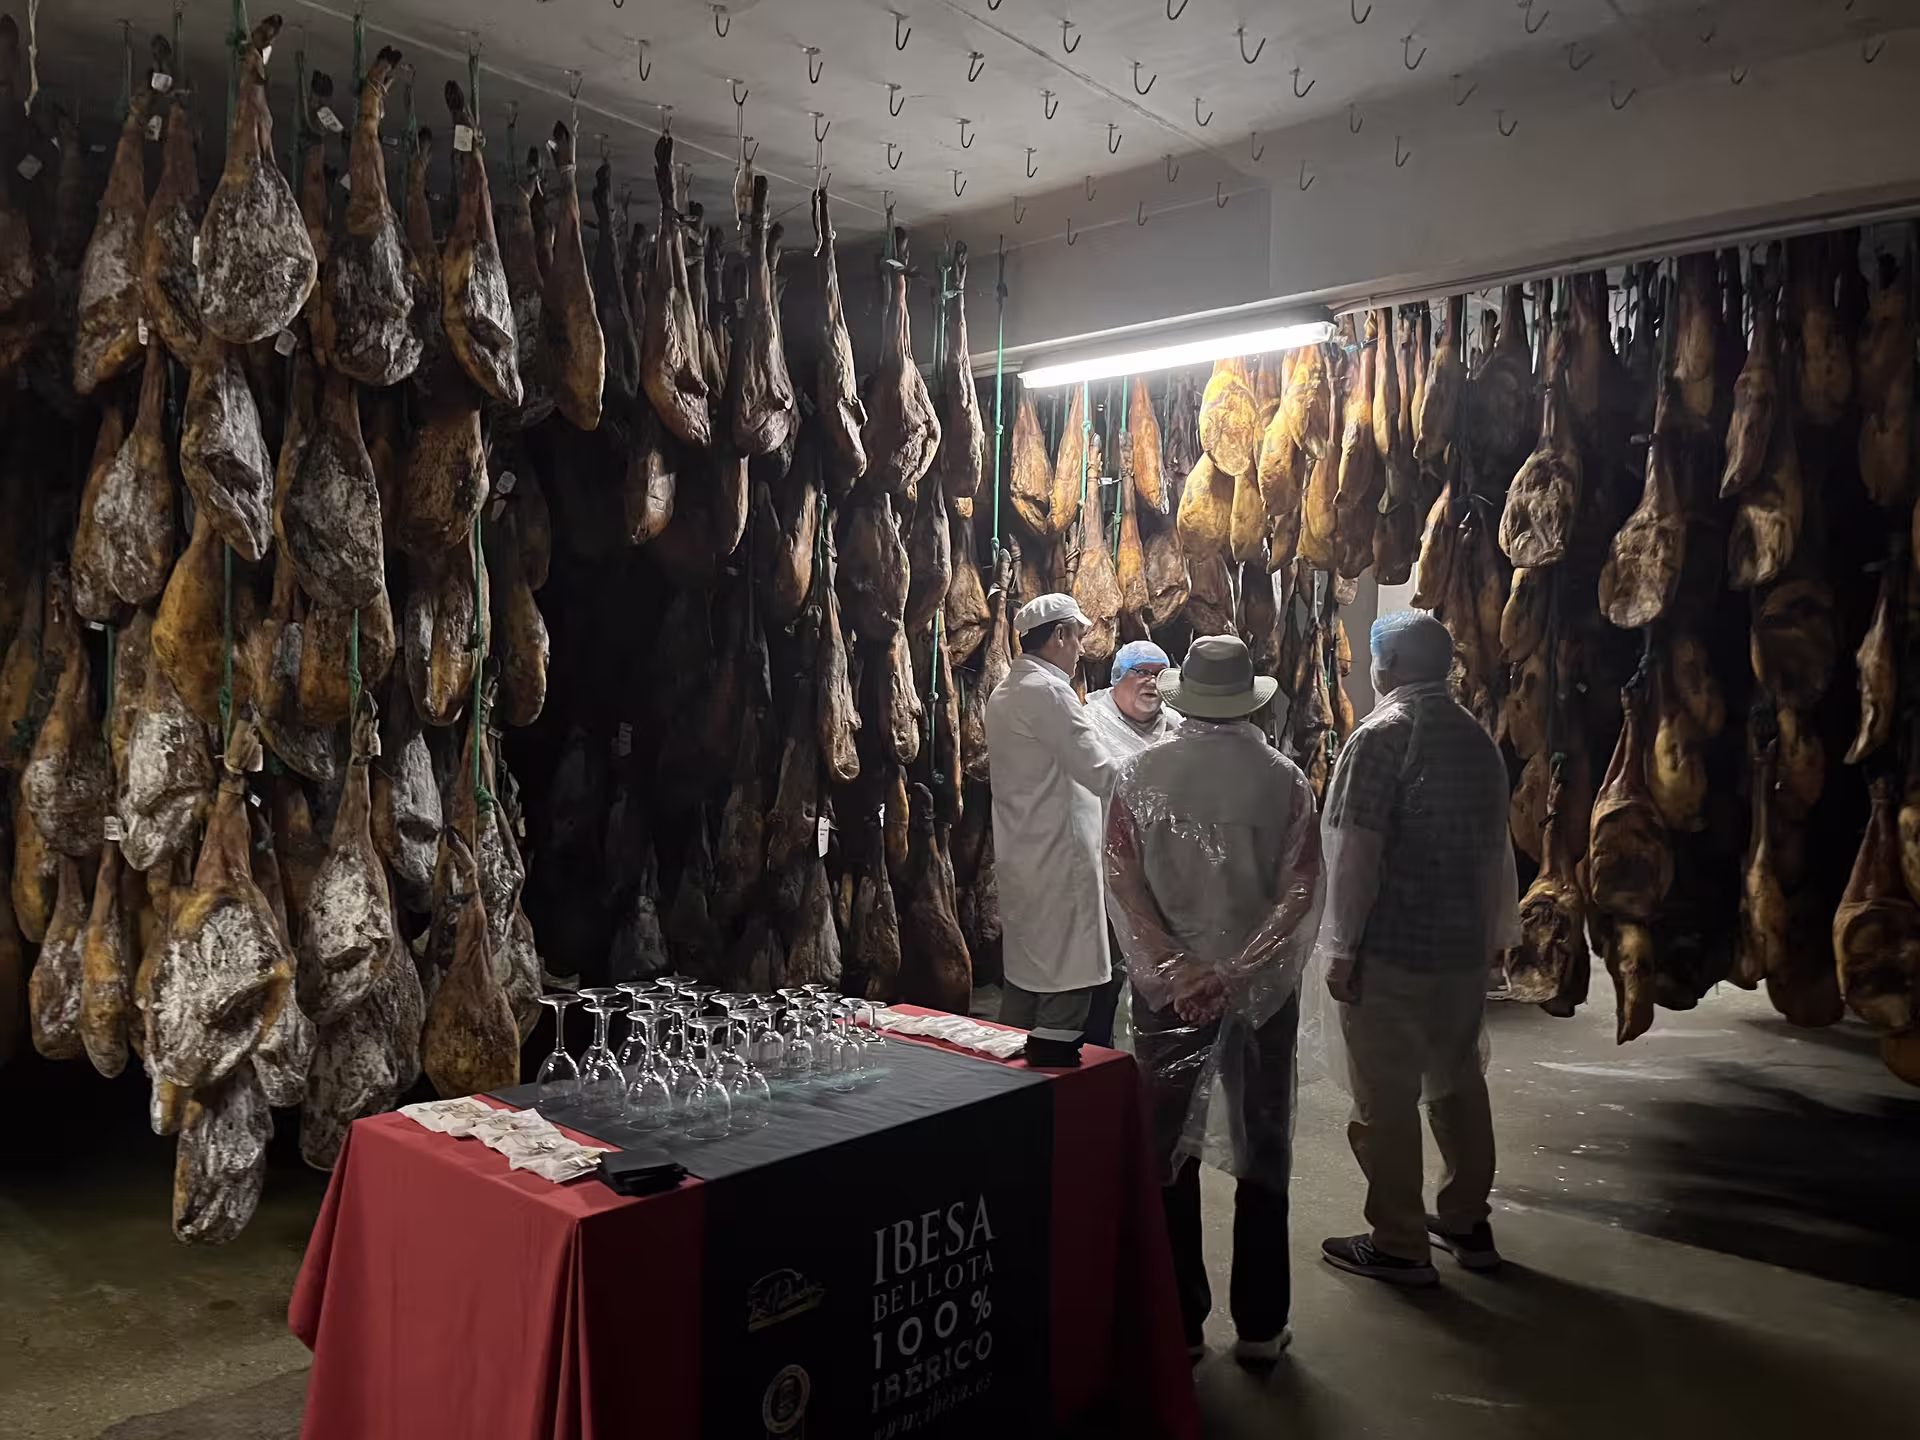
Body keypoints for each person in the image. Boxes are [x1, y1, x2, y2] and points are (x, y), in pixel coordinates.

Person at [1104, 634, 1323, 1366]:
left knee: (1169, 1155)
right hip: (1261, 994)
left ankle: (1180, 1323)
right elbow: (1300, 889)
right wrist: (1235, 971)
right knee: (1264, 1148)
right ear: (1247, 701)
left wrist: (1178, 972)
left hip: (1168, 998)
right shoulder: (1285, 780)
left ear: (1186, 697)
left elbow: (1123, 884)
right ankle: (1260, 1326)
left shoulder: (1138, 776)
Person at [1314, 610, 1519, 1287]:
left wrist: (1342, 949)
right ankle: (1465, 1219)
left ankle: (1399, 1241)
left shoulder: (1380, 737)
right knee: (1457, 1080)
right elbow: (1497, 854)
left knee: (1386, 1096)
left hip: (1391, 953)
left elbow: (1354, 854)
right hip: (1461, 951)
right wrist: (1497, 937)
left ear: (1388, 665)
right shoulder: (1475, 738)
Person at [985, 593, 1121, 1034]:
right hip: (1060, 866)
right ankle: (1052, 1074)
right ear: (1059, 635)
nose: (1081, 648)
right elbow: (1101, 772)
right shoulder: (1050, 693)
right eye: (1078, 636)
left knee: (1024, 988)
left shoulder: (1004, 693)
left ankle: (1004, 1076)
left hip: (1025, 862)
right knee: (1065, 994)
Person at [1082, 641, 1181, 1046]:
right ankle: (1097, 1056)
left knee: (1161, 975)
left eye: (1160, 673)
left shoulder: (1177, 726)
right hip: (1105, 870)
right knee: (1102, 976)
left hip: (1167, 875)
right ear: (1118, 678)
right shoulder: (1089, 723)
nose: (1152, 682)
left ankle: (1158, 1056)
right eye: (1142, 672)